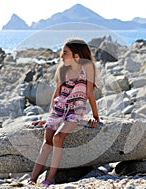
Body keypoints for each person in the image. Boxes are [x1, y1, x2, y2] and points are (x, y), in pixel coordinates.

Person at [27, 38, 100, 186]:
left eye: (65, 53)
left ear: (77, 56)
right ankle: (32, 180)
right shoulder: (62, 69)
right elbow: (57, 94)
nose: (61, 56)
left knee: (58, 137)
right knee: (47, 142)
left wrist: (95, 116)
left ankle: (50, 178)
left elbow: (90, 94)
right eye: (61, 52)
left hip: (75, 110)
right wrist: (49, 118)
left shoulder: (86, 69)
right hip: (59, 109)